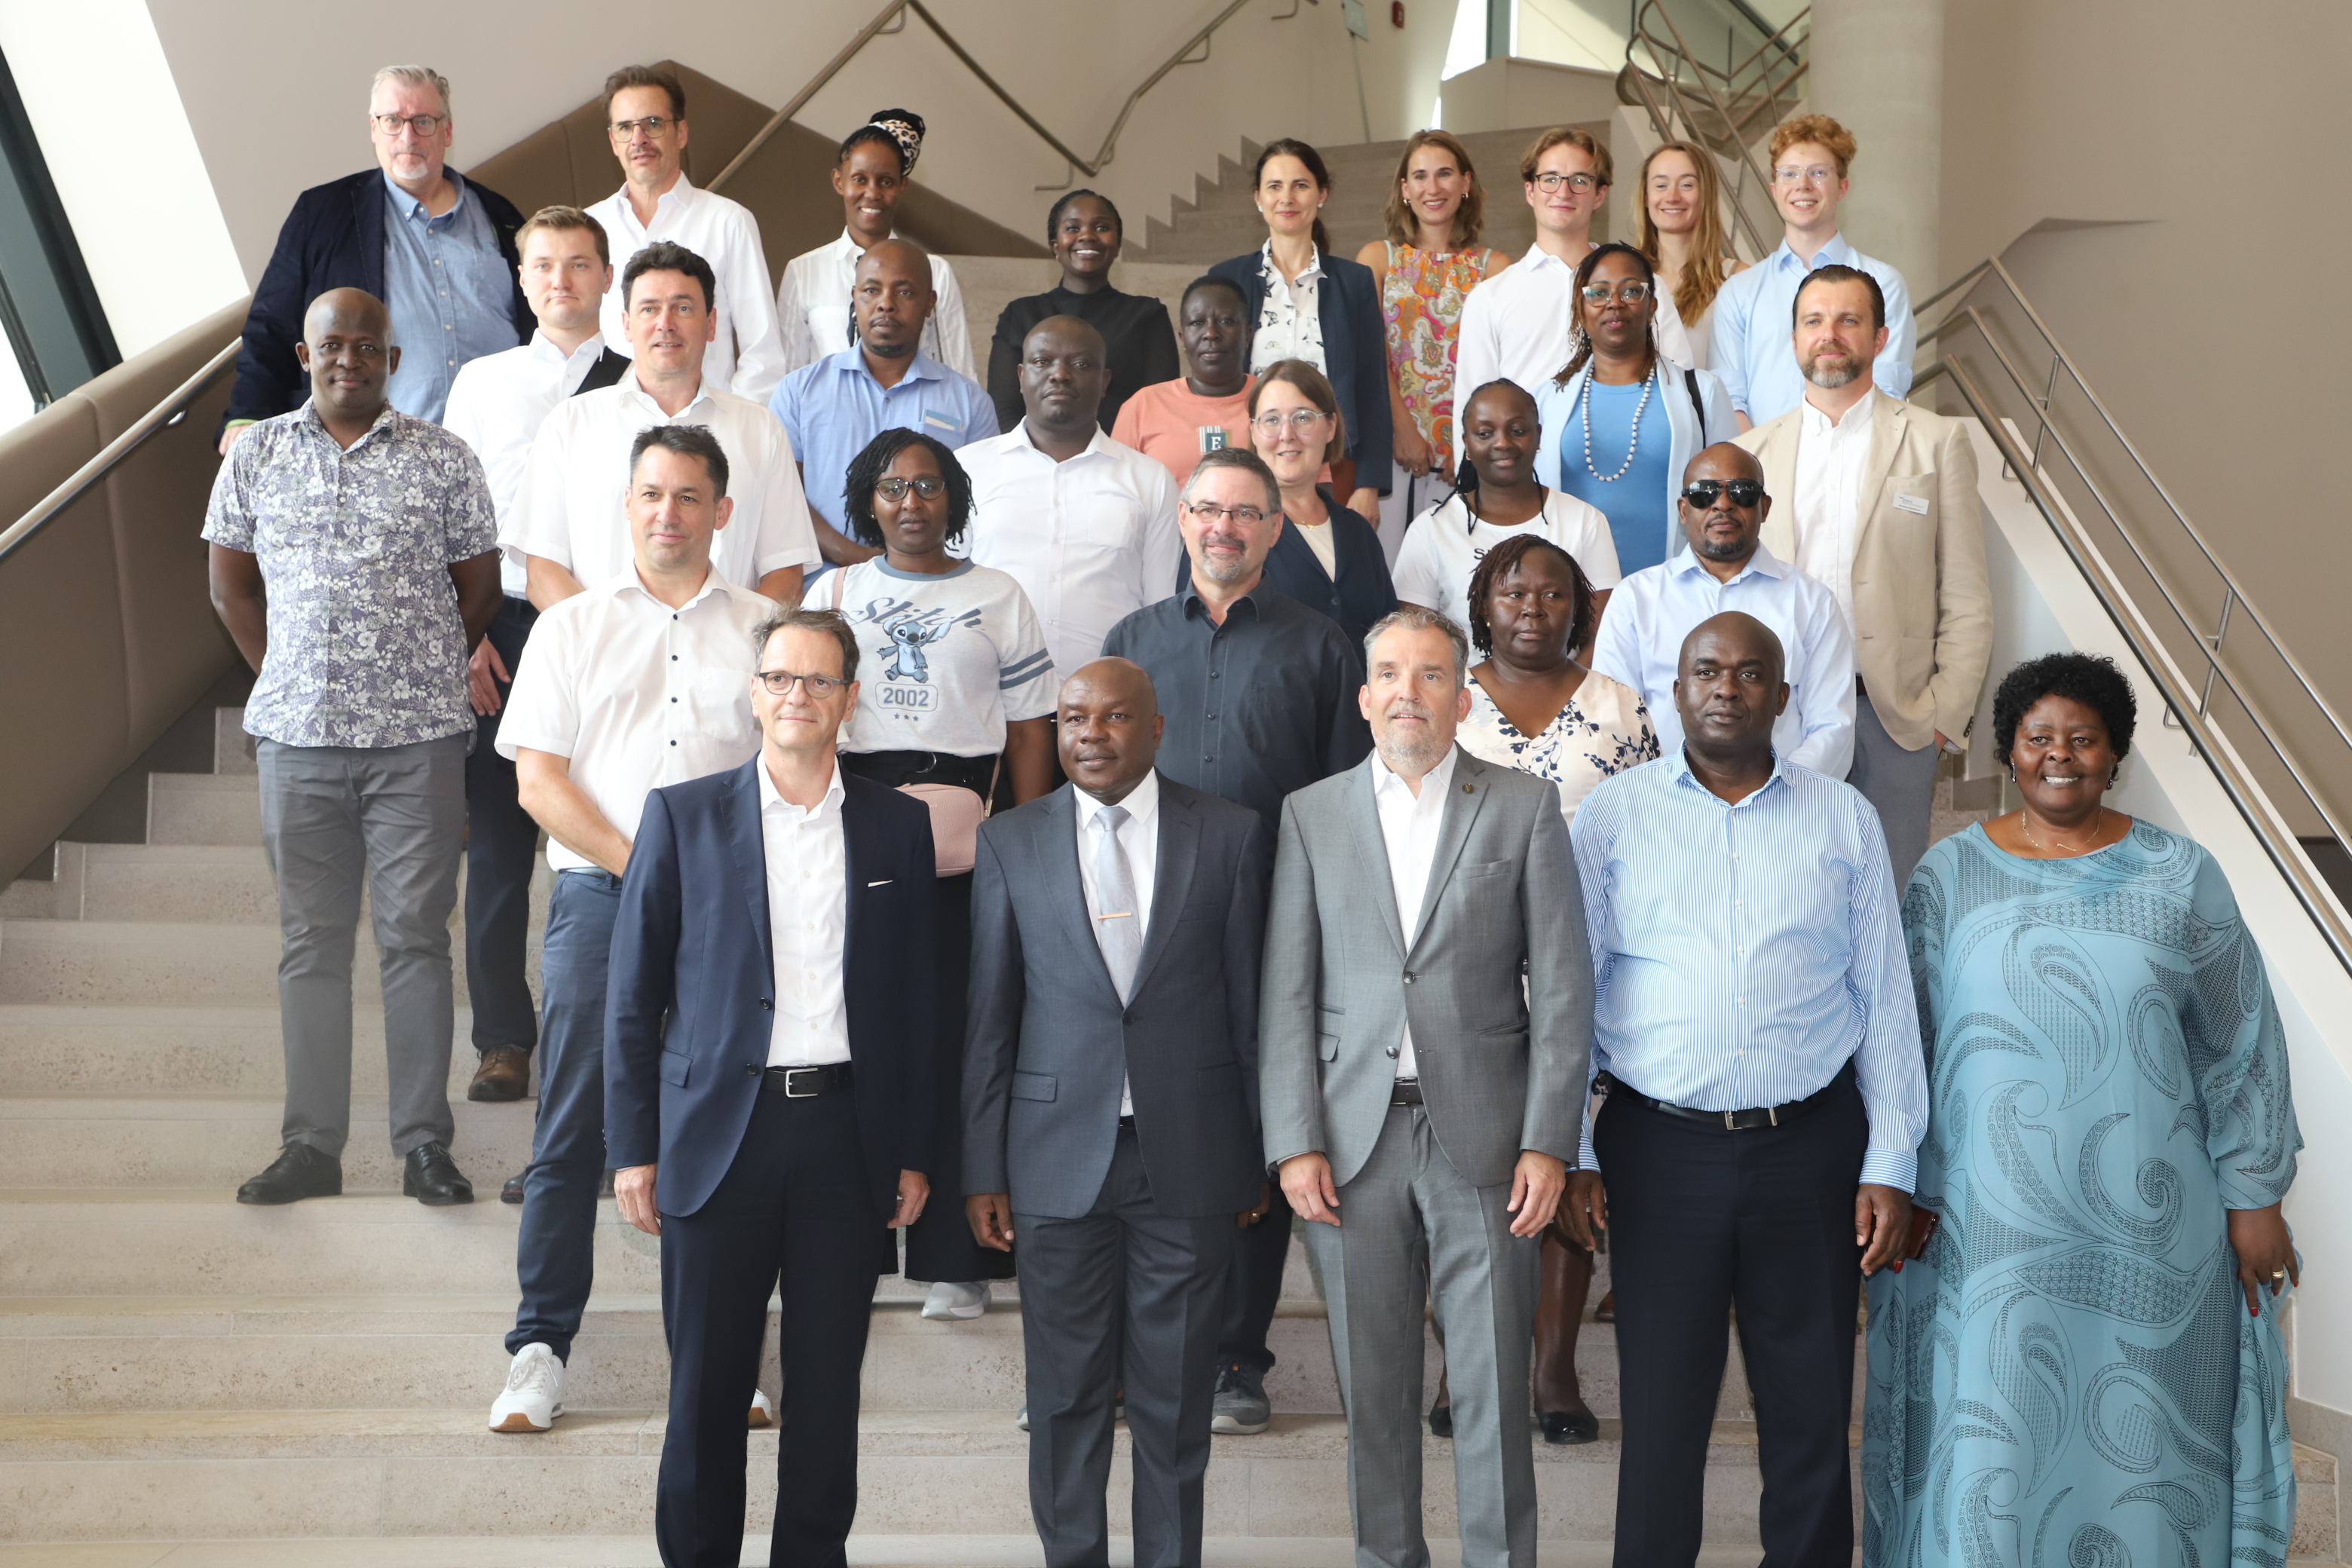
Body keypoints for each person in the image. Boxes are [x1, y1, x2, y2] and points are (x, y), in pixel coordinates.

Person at [1863, 652, 2302, 1568]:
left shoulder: (2183, 875)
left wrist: (2254, 1194)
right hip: (1984, 1236)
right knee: (1998, 1451)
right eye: (2038, 738)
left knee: (2142, 1442)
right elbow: (1903, 1042)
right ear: (2008, 750)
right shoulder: (1947, 878)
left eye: (2083, 739)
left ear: (2115, 753)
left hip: (2156, 1243)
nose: (2060, 755)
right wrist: (1902, 1177)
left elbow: (2240, 1038)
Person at [1563, 609, 1927, 1568]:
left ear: (1784, 694)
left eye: (1751, 672)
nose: (1728, 687)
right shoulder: (1612, 816)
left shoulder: (1844, 815)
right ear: (1674, 692)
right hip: (1659, 1148)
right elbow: (1578, 992)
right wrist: (1581, 1147)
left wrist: (1891, 1159)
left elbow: (1883, 996)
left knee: (1808, 1409)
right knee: (1661, 1413)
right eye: (1707, 671)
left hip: (1807, 1145)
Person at [606, 607, 938, 1568]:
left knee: (828, 1393)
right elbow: (631, 999)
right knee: (706, 1391)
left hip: (846, 1140)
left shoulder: (897, 825)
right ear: (755, 693)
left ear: (850, 698)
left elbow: (918, 998)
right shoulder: (682, 814)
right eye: (782, 678)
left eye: (820, 680)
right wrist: (633, 1147)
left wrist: (914, 1148)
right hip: (718, 1142)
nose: (799, 696)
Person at [1261, 605, 1591, 1568]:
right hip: (1348, 1146)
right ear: (1365, 697)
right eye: (1392, 673)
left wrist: (1549, 1140)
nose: (1410, 691)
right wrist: (1294, 1139)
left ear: (1463, 694)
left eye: (1433, 673)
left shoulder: (1523, 806)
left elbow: (1565, 986)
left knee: (1492, 1386)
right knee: (1374, 1392)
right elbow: (1288, 987)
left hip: (1487, 1143)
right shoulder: (1310, 812)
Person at [482, 426, 771, 1434]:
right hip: (603, 902)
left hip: (733, 917)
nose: (668, 513)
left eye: (689, 496)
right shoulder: (570, 627)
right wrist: (643, 868)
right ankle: (537, 1352)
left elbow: (791, 781)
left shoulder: (771, 632)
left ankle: (721, 1356)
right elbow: (538, 782)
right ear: (628, 501)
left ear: (722, 512)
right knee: (572, 1129)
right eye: (651, 493)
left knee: (716, 1134)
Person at [963, 657, 1269, 1568]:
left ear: (1156, 727)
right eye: (1072, 719)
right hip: (1056, 1161)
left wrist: (1257, 1149)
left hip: (1192, 1157)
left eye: (1113, 717)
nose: (1090, 734)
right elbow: (990, 1018)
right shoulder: (1010, 841)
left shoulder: (1232, 834)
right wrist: (983, 1165)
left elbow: (1254, 1008)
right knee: (1063, 1398)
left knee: (1176, 1399)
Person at [204, 288, 501, 1206]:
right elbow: (231, 591)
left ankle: (423, 1145)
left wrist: (414, 668)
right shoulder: (254, 457)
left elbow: (479, 592)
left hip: (418, 743)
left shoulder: (444, 459)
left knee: (416, 940)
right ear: (303, 354)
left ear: (393, 360)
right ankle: (311, 1147)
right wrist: (280, 676)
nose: (349, 358)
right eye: (333, 345)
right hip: (297, 742)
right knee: (312, 943)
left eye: (367, 346)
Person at [1097, 446, 1370, 1436]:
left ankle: (1233, 1361)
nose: (1225, 528)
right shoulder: (1129, 642)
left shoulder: (1323, 647)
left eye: (1246, 514)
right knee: (1149, 1134)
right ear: (1182, 520)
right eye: (1208, 510)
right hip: (1145, 934)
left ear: (1273, 528)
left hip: (1275, 929)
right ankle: (1136, 1353)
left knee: (1261, 1139)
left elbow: (1354, 803)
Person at [823, 429, 1056, 1322]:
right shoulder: (834, 590)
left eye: (927, 487)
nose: (911, 503)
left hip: (970, 831)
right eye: (892, 488)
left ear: (953, 499)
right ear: (867, 501)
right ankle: (861, 1234)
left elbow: (1032, 727)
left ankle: (956, 1257)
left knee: (963, 1031)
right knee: (861, 1024)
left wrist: (1025, 840)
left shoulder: (999, 596)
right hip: (855, 826)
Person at [1451, 533, 1653, 1446]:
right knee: (1469, 1170)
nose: (1532, 607)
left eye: (1552, 593)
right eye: (1513, 591)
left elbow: (1657, 837)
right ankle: (1470, 1365)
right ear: (1482, 603)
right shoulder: (1444, 699)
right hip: (1465, 967)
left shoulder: (1620, 707)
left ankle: (1553, 1367)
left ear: (1582, 607)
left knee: (1569, 1159)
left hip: (1589, 965)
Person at [441, 205, 631, 1112]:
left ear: (606, 276)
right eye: (545, 266)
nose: (562, 280)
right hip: (506, 623)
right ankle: (504, 1040)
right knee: (503, 837)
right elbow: (451, 518)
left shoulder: (638, 384)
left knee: (600, 830)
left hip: (609, 626)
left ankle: (602, 1028)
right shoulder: (482, 381)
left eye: (580, 264)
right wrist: (468, 628)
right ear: (523, 280)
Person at [1735, 263, 1990, 884]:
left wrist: (1940, 716)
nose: (1830, 334)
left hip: (1894, 719)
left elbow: (1966, 597)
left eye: (1849, 320)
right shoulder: (1754, 454)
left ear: (1879, 338)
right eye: (1814, 321)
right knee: (1782, 894)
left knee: (1891, 902)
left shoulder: (1935, 443)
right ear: (1793, 338)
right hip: (1780, 714)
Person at [222, 66, 528, 446]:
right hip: (381, 456)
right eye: (392, 121)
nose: (408, 136)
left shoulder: (501, 216)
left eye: (423, 121)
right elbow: (270, 327)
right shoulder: (322, 215)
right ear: (373, 129)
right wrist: (249, 414)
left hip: (506, 443)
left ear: (447, 131)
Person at [505, 242, 818, 608]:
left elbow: (785, 576)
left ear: (711, 323)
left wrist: (733, 646)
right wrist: (605, 647)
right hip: (604, 659)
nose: (665, 324)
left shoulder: (760, 430)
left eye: (683, 308)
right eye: (649, 308)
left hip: (726, 663)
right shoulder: (569, 424)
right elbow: (543, 573)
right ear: (625, 324)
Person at [1591, 443, 1854, 777]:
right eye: (1705, 493)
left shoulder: (1812, 601)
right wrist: (1655, 797)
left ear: (1765, 506)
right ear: (1684, 510)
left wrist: (1781, 797)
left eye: (1742, 492)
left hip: (1782, 812)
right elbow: (1614, 719)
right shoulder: (1636, 597)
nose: (1723, 504)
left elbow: (1833, 726)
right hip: (1659, 807)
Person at [963, 315, 1181, 690]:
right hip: (987, 702)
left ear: (1104, 381)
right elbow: (946, 590)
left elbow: (1159, 613)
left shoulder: (1151, 480)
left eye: (1080, 364)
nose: (1060, 375)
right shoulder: (965, 469)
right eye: (1042, 361)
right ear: (1020, 375)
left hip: (1107, 706)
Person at [769, 237, 997, 567]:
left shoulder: (970, 402)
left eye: (904, 292)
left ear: (930, 302)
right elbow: (781, 496)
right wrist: (856, 558)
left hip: (933, 591)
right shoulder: (799, 392)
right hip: (823, 589)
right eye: (872, 290)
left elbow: (982, 508)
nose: (886, 304)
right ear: (854, 298)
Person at [1208, 139, 1389, 518]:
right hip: (1249, 463)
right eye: (1274, 186)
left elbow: (1372, 386)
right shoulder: (1227, 279)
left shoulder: (1354, 282)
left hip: (1333, 465)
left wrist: (1368, 485)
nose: (1286, 198)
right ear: (1258, 197)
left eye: (1300, 185)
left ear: (1322, 194)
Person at [1532, 243, 1735, 580]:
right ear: (1580, 309)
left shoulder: (1703, 392)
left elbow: (1734, 497)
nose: (1614, 302)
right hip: (1567, 594)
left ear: (1652, 305)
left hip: (1674, 592)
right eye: (1598, 292)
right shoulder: (1544, 399)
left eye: (1631, 290)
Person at [586, 66, 786, 404]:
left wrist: (732, 430)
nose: (639, 140)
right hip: (613, 430)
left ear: (681, 133)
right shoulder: (590, 228)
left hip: (705, 434)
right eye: (624, 127)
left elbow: (762, 352)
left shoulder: (729, 221)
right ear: (613, 141)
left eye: (653, 124)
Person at [1709, 113, 1915, 429]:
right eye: (1790, 174)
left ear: (1842, 187)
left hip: (1855, 463)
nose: (1803, 185)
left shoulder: (1884, 284)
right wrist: (1761, 471)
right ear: (1774, 188)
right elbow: (1728, 401)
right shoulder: (1740, 291)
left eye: (1818, 173)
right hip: (1763, 469)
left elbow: (1887, 390)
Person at [1356, 130, 1510, 537]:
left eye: (1444, 174)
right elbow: (1368, 354)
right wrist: (1403, 429)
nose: (1433, 187)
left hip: (1470, 456)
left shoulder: (1495, 268)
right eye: (1420, 176)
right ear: (1405, 189)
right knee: (1391, 584)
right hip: (1392, 449)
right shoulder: (1377, 259)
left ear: (1466, 182)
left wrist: (1470, 444)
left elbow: (1503, 369)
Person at [1392, 379, 1619, 635]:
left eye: (1518, 431)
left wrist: (1568, 677)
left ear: (1538, 436)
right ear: (1466, 444)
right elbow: (1415, 640)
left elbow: (1601, 636)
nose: (1502, 443)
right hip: (1460, 676)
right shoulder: (1430, 529)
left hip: (1567, 675)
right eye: (1485, 433)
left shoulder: (1585, 521)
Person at [777, 110, 973, 378]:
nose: (872, 193)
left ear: (902, 186)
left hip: (913, 416)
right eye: (860, 179)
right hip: (828, 418)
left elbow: (960, 373)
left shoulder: (935, 271)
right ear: (839, 181)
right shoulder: (803, 272)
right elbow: (787, 376)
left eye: (886, 182)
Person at [1452, 127, 1611, 430]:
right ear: (1530, 191)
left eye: (1579, 180)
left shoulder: (1636, 288)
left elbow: (1675, 384)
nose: (1563, 193)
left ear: (1599, 194)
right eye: (1550, 179)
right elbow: (1472, 413)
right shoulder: (1490, 298)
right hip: (1526, 471)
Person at [987, 190, 1177, 434]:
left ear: (1118, 244)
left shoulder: (1148, 315)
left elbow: (1157, 409)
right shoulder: (1021, 315)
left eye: (1101, 228)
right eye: (1073, 228)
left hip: (1119, 461)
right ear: (1055, 246)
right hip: (1032, 462)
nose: (1087, 236)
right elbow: (1004, 408)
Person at [1248, 359, 1398, 643]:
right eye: (1271, 420)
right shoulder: (1235, 528)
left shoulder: (1359, 532)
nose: (1287, 434)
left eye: (1303, 417)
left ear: (1330, 427)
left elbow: (1387, 638)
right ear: (1254, 432)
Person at [1112, 275, 1257, 490]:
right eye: (1197, 323)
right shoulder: (1143, 405)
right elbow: (1116, 492)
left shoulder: (1275, 399)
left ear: (1247, 334)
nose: (1211, 333)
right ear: (1182, 338)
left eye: (1226, 321)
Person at [1637, 140, 1745, 371]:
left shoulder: (1740, 279)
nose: (1673, 196)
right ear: (1646, 197)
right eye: (1661, 185)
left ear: (1705, 195)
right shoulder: (1627, 277)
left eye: (1686, 185)